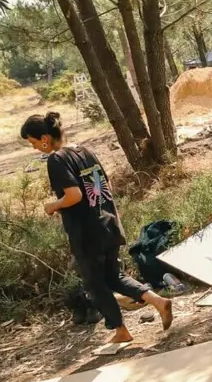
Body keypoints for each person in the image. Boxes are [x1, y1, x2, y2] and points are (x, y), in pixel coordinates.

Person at [21, 111, 173, 344]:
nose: (34, 148)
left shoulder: (56, 159)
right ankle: (158, 302)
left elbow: (74, 195)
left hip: (87, 233)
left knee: (95, 283)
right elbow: (106, 185)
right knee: (113, 277)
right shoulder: (85, 151)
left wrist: (53, 206)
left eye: (33, 142)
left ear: (44, 137)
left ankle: (120, 330)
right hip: (109, 224)